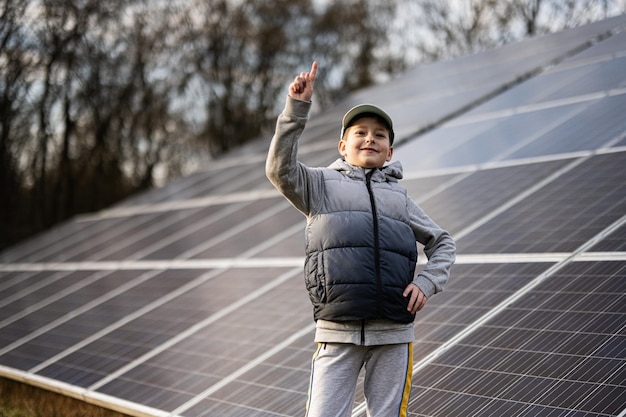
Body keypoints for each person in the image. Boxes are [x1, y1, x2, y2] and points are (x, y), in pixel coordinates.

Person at [265, 61, 456, 417]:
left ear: (390, 152)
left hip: (394, 334)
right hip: (338, 330)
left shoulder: (399, 199)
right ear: (343, 146)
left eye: (380, 135)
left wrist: (427, 283)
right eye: (360, 132)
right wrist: (296, 110)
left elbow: (443, 243)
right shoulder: (320, 186)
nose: (370, 138)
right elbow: (279, 169)